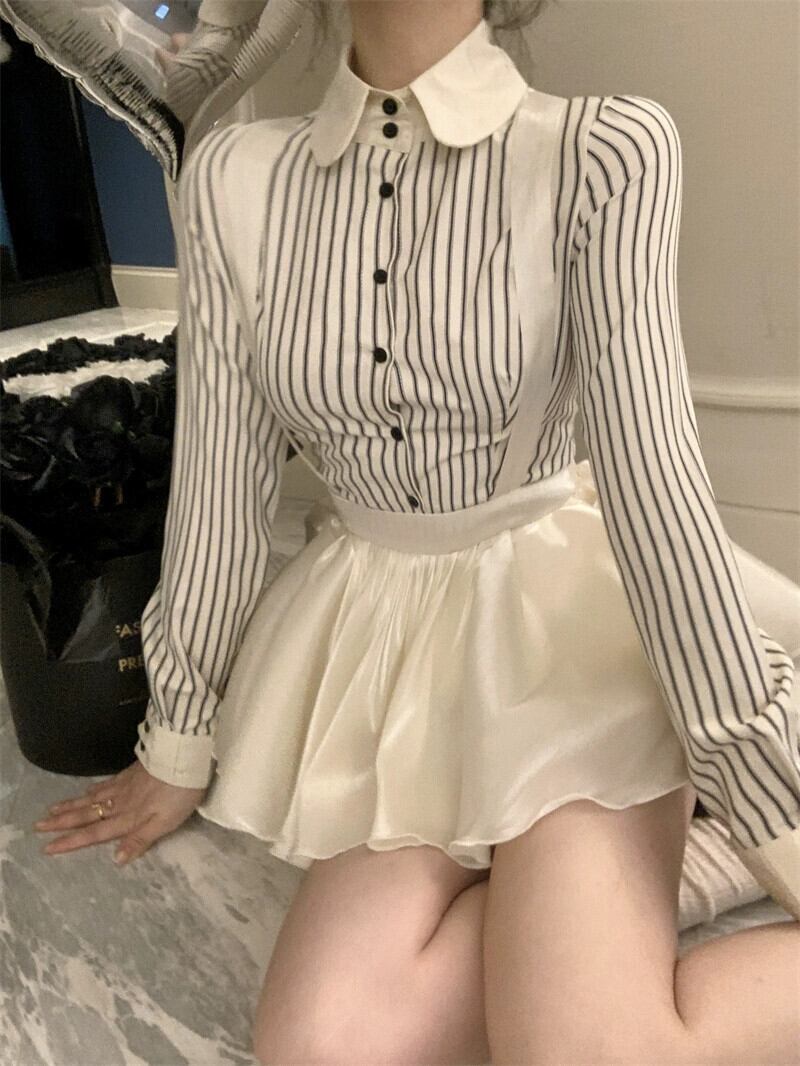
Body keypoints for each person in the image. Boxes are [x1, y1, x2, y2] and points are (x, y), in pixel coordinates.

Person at [33, 2, 800, 1062]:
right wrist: (177, 739)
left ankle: (672, 862)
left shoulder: (600, 149)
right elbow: (221, 484)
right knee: (324, 1046)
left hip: (573, 649)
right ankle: (644, 887)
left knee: (584, 1051)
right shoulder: (235, 178)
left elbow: (654, 492)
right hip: (386, 656)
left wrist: (766, 805)